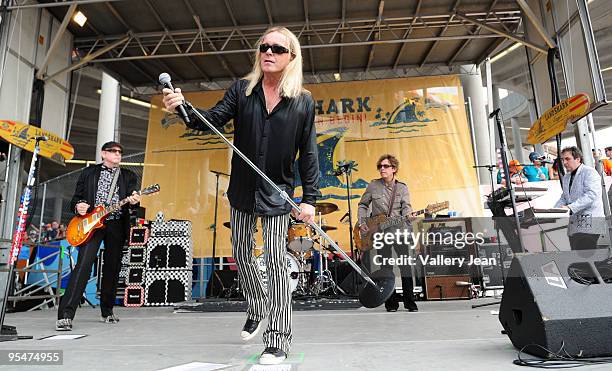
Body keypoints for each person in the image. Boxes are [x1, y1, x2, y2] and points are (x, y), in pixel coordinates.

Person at [162, 27, 319, 365]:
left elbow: (308, 154)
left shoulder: (303, 102)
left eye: (277, 48)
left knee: (275, 262)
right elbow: (211, 120)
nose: (269, 52)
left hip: (278, 193)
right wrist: (182, 108)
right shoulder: (241, 91)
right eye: (264, 46)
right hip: (243, 192)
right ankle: (257, 305)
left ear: (291, 57)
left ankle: (277, 338)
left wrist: (310, 199)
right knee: (242, 255)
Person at [56, 141, 140, 331]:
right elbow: (76, 199)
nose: (118, 154)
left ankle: (107, 310)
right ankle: (65, 315)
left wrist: (134, 201)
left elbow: (132, 200)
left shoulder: (128, 175)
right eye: (113, 151)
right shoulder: (89, 173)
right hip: (92, 224)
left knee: (112, 267)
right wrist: (79, 206)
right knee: (83, 265)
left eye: (120, 152)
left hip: (116, 223)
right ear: (103, 153)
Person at [357, 154, 418, 313]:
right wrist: (363, 222)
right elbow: (363, 205)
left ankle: (410, 302)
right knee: (386, 268)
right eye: (380, 166)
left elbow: (407, 207)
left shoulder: (402, 187)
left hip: (400, 232)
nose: (382, 169)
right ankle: (391, 303)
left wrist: (409, 215)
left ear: (394, 169)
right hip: (380, 233)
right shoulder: (373, 186)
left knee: (405, 267)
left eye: (385, 166)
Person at [554, 146, 605, 250]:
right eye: (563, 159)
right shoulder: (567, 177)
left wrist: (570, 207)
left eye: (567, 159)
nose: (564, 162)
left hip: (591, 222)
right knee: (576, 255)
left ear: (578, 159)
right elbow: (564, 196)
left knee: (584, 255)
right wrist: (554, 210)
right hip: (576, 224)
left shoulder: (590, 172)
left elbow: (591, 195)